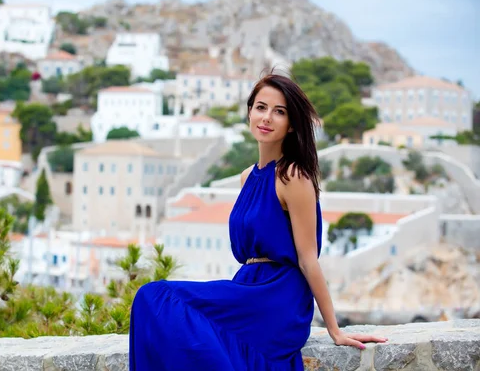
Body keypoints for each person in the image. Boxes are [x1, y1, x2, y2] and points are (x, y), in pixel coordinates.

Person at [129, 73, 387, 370]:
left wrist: (335, 329)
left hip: (279, 297)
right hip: (247, 286)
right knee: (151, 300)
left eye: (280, 112)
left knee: (155, 295)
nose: (267, 117)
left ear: (291, 125)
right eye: (261, 107)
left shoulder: (293, 177)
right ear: (249, 112)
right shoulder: (246, 177)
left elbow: (308, 260)